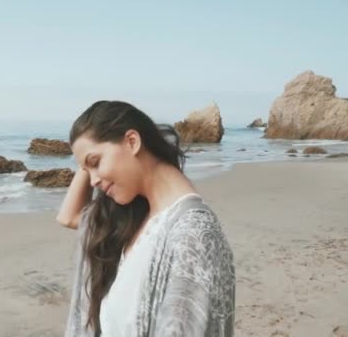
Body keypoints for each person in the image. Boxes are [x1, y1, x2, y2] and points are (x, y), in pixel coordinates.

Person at [57, 100, 235, 336]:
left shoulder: (193, 235)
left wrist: (88, 160)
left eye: (96, 162)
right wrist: (86, 160)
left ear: (132, 142)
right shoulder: (136, 220)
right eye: (87, 171)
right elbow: (69, 217)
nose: (92, 181)